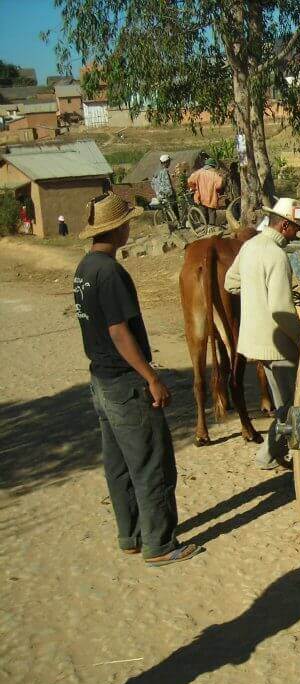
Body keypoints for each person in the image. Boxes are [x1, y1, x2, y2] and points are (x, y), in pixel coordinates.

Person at [73, 192, 199, 565]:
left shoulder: (84, 269)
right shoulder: (110, 273)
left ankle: (130, 534)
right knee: (151, 463)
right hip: (126, 381)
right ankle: (160, 544)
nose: (131, 227)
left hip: (101, 379)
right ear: (118, 229)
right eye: (127, 223)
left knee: (118, 464)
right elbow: (118, 332)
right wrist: (151, 376)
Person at [225, 198, 300, 469]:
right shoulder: (277, 255)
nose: (297, 234)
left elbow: (231, 283)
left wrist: (254, 293)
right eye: (296, 229)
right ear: (284, 225)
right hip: (279, 344)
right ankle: (267, 454)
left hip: (255, 341)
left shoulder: (250, 246)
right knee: (291, 405)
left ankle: (273, 453)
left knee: (283, 401)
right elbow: (281, 311)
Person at [187, 157, 224, 226]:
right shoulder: (214, 174)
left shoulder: (198, 173)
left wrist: (194, 188)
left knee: (203, 212)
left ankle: (204, 226)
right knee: (211, 212)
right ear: (212, 166)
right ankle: (211, 227)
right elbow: (219, 185)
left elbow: (190, 181)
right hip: (211, 197)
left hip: (200, 197)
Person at [150, 153, 181, 227]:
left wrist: (158, 191)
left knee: (169, 208)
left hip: (159, 195)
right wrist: (171, 193)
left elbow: (152, 184)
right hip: (166, 195)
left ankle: (174, 223)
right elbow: (167, 185)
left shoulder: (156, 172)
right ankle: (178, 224)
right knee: (174, 205)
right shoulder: (164, 171)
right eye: (169, 162)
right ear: (166, 162)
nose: (170, 163)